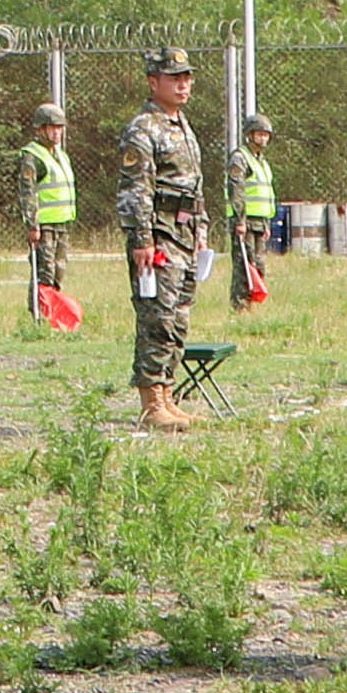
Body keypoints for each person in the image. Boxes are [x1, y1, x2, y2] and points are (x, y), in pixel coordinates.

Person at [112, 51, 211, 428]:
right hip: (159, 235)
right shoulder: (143, 128)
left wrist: (200, 233)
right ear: (154, 82)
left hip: (184, 235)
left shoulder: (182, 126)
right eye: (175, 78)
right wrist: (142, 239)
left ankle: (168, 393)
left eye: (187, 77)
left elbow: (194, 187)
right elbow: (137, 188)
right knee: (157, 317)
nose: (183, 84)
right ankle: (151, 400)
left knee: (179, 317)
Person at [17, 100, 76, 319]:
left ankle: (55, 316)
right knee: (44, 271)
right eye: (53, 128)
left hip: (62, 224)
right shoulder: (32, 157)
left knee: (58, 273)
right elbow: (28, 193)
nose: (57, 133)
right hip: (44, 225)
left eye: (60, 128)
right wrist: (33, 225)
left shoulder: (61, 155)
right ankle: (39, 317)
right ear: (41, 129)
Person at [228, 112, 280, 303]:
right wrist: (240, 220)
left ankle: (253, 301)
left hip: (260, 221)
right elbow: (237, 191)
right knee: (244, 265)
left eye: (266, 135)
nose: (263, 138)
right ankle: (241, 304)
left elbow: (267, 194)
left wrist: (267, 223)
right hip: (245, 221)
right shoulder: (240, 159)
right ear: (249, 135)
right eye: (259, 134)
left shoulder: (262, 163)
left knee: (259, 265)